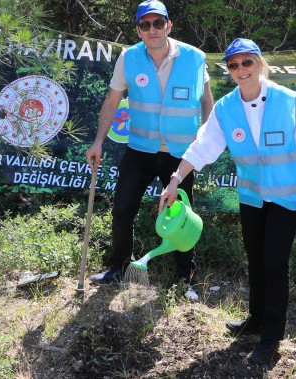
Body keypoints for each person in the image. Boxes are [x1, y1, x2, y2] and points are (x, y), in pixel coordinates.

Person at [159, 38, 296, 363]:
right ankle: (255, 319)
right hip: (252, 196)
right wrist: (174, 179)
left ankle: (270, 339)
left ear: (259, 63)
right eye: (234, 65)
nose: (240, 70)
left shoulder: (284, 101)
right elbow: (202, 146)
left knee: (275, 262)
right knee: (255, 258)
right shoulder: (226, 108)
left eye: (246, 63)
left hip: (287, 197)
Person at [85, 0, 213, 300]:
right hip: (140, 150)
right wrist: (98, 141)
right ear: (139, 30)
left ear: (169, 25)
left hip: (181, 153)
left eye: (158, 23)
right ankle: (117, 269)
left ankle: (186, 279)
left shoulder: (195, 58)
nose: (152, 29)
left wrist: (206, 138)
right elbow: (112, 101)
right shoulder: (129, 58)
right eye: (145, 25)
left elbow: (207, 100)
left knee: (182, 216)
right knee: (123, 209)